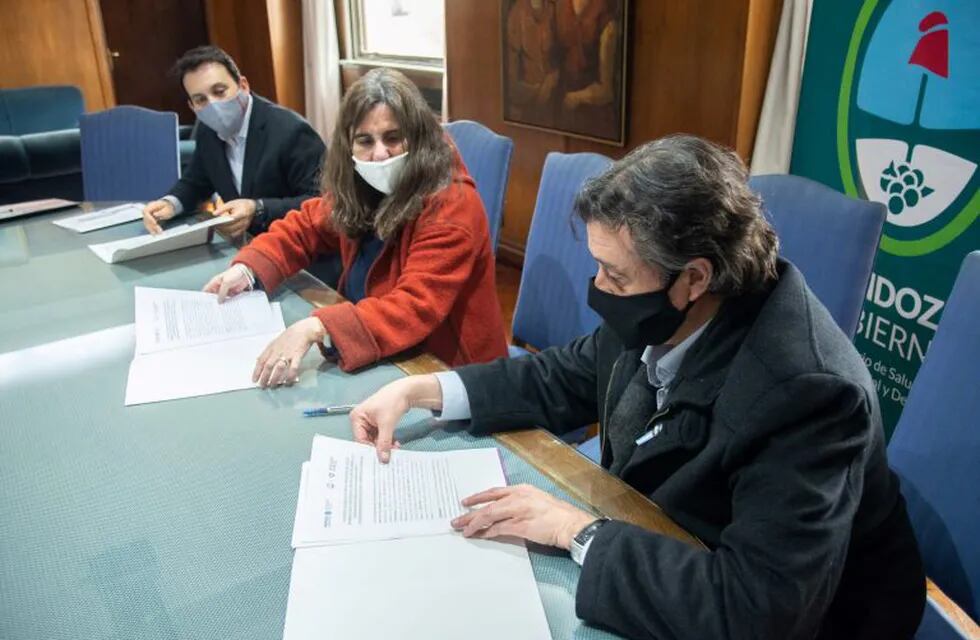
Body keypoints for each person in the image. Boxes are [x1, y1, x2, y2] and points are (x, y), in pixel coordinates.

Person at [348, 135, 926, 639]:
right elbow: (564, 375)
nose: (598, 287)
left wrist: (578, 530)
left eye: (615, 275)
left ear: (694, 277)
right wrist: (423, 391)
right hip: (671, 536)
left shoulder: (809, 394)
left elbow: (757, 612)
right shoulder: (671, 306)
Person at [203, 68, 507, 386]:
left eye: (393, 137)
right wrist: (247, 270)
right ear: (349, 145)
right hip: (386, 355)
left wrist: (317, 326)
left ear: (418, 137)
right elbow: (305, 226)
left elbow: (413, 306)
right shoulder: (360, 181)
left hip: (449, 370)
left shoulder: (452, 205)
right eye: (365, 141)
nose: (379, 154)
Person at [142, 46, 325, 239]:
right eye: (200, 100)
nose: (213, 105)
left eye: (220, 91)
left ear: (243, 86)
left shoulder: (291, 131)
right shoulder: (208, 129)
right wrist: (171, 203)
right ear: (192, 106)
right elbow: (196, 181)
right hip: (247, 245)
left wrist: (258, 208)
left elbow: (321, 202)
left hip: (299, 247)